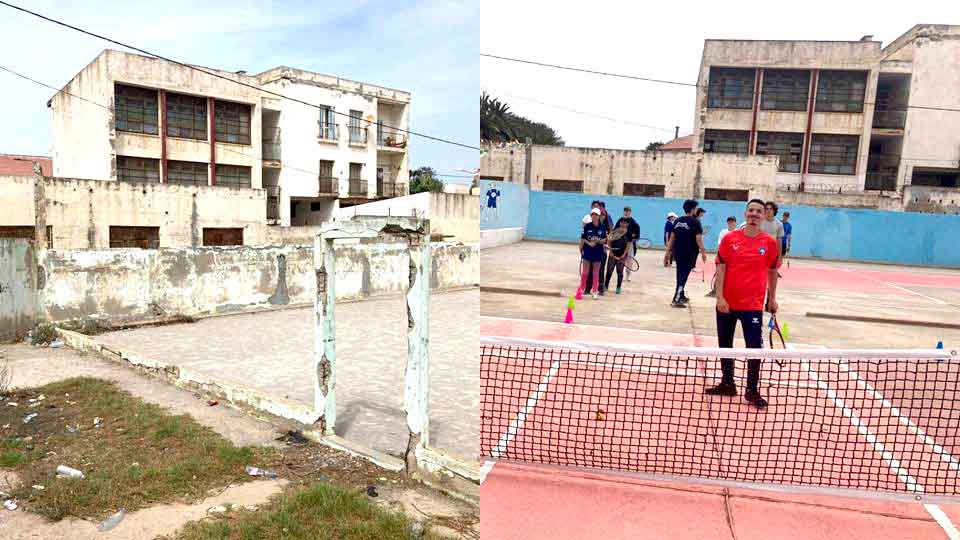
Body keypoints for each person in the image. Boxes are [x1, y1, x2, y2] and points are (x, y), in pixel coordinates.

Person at [705, 199, 780, 410]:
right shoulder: (729, 239)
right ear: (745, 214)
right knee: (725, 345)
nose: (754, 214)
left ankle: (752, 390)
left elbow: (773, 272)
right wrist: (720, 297)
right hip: (726, 304)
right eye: (751, 211)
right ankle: (727, 383)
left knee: (754, 349)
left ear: (764, 215)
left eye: (759, 211)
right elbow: (720, 269)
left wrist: (772, 299)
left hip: (753, 306)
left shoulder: (769, 243)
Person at [663, 200, 706, 307]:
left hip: (678, 252)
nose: (697, 210)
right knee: (683, 276)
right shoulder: (695, 222)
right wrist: (703, 251)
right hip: (689, 253)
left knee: (680, 274)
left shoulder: (677, 220)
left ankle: (681, 295)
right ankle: (676, 299)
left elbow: (672, 238)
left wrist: (667, 253)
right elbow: (698, 238)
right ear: (692, 209)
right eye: (696, 208)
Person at [578, 208, 607, 300]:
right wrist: (588, 244)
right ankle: (581, 290)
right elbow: (583, 239)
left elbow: (604, 240)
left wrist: (598, 241)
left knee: (596, 273)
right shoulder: (587, 226)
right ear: (591, 216)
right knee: (585, 273)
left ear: (599, 216)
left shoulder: (603, 227)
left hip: (598, 252)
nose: (594, 216)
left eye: (596, 215)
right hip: (587, 251)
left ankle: (595, 291)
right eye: (593, 214)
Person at [706, 216, 738, 297]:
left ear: (735, 222)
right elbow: (720, 243)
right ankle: (715, 290)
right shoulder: (723, 232)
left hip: (734, 257)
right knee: (719, 274)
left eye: (732, 221)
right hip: (723, 256)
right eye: (729, 221)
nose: (731, 223)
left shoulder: (738, 232)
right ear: (727, 223)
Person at [615, 207, 640, 282]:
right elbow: (615, 231)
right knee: (621, 259)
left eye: (628, 211)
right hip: (620, 244)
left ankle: (628, 275)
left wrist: (633, 238)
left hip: (630, 245)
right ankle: (620, 274)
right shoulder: (620, 220)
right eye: (625, 211)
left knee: (629, 260)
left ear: (630, 212)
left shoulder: (634, 223)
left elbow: (637, 236)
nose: (626, 212)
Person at [604, 221, 629, 295]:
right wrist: (611, 252)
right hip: (613, 254)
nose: (623, 224)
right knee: (609, 270)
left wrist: (623, 255)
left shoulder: (628, 234)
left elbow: (628, 245)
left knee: (620, 272)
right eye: (622, 222)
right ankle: (605, 286)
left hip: (622, 256)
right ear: (620, 223)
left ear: (627, 224)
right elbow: (609, 241)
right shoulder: (615, 232)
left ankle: (618, 287)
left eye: (625, 223)